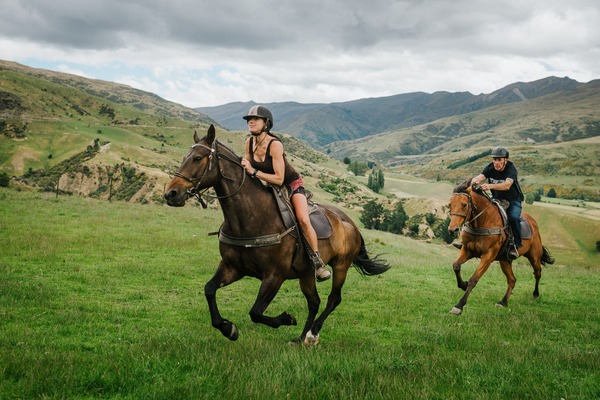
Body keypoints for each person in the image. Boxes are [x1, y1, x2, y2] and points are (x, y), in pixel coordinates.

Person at [239, 105, 331, 282]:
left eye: (255, 119)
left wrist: (254, 172)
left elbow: (280, 179)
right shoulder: (248, 143)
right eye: (249, 119)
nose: (250, 121)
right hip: (269, 185)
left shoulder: (275, 145)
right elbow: (247, 169)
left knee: (303, 219)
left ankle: (318, 262)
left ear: (266, 123)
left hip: (291, 184)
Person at [471, 146, 524, 260]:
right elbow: (480, 177)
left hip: (513, 200)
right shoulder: (490, 167)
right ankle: (470, 241)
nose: (496, 162)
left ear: (506, 160)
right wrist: (474, 181)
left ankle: (516, 245)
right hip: (497, 199)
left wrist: (489, 186)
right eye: (495, 159)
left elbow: (507, 185)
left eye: (499, 160)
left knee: (514, 218)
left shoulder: (511, 168)